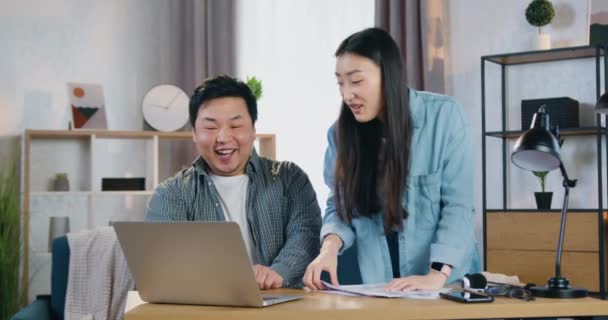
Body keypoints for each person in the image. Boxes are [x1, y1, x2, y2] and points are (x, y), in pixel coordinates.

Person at [303, 28, 480, 291]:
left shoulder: (444, 117)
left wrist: (435, 276)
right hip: (380, 284)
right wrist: (330, 246)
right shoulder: (340, 135)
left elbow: (459, 208)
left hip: (446, 283)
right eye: (340, 82)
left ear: (388, 75)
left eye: (356, 81)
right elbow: (339, 204)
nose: (346, 94)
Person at [146, 74, 322, 289]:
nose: (222, 137)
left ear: (253, 130)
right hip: (206, 309)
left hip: (282, 304)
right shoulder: (172, 194)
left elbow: (306, 234)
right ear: (194, 133)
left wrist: (277, 272)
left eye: (235, 126)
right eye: (210, 128)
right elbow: (164, 261)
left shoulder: (290, 179)